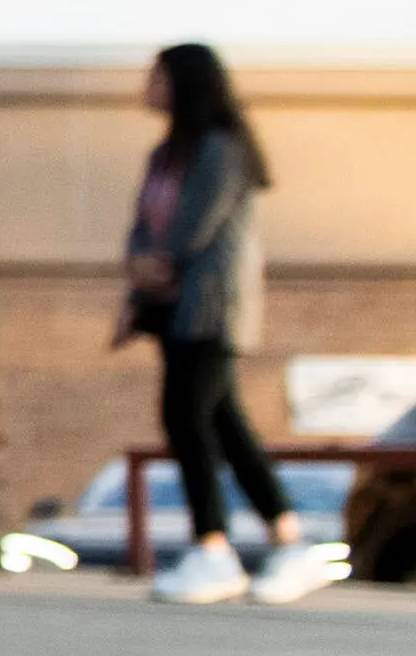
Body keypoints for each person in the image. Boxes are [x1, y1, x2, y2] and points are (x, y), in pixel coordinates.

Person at [126, 44, 325, 607]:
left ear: (185, 83)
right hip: (168, 306)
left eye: (157, 76)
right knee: (225, 423)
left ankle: (213, 548)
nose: (147, 85)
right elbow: (142, 224)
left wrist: (154, 262)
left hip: (211, 307)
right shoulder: (165, 153)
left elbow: (192, 226)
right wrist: (138, 265)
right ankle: (286, 540)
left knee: (186, 416)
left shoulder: (220, 150)